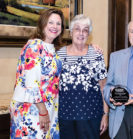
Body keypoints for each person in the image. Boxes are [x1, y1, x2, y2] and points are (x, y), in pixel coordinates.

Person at [10, 8, 65, 138]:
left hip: (48, 109)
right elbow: (31, 83)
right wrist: (42, 111)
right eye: (51, 22)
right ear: (42, 24)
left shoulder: (52, 50)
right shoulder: (34, 46)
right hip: (32, 110)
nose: (55, 26)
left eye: (58, 23)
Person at [57, 14, 109, 139]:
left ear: (88, 34)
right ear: (71, 32)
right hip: (65, 117)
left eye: (85, 30)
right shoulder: (59, 54)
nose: (81, 33)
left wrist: (106, 114)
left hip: (91, 117)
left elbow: (104, 86)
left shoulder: (96, 54)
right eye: (77, 29)